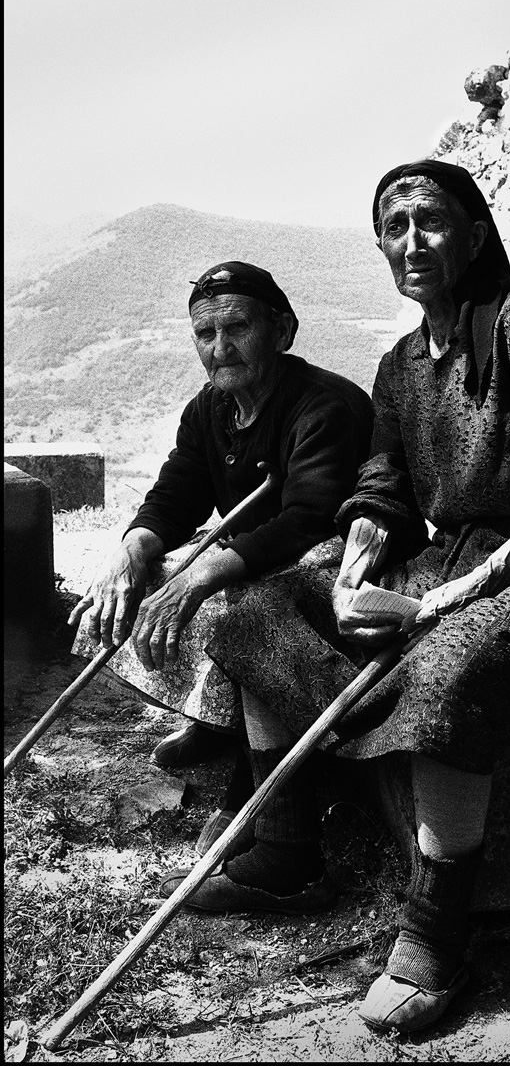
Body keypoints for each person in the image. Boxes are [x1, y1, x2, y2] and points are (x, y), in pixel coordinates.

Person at [158, 162, 510, 1035]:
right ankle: (287, 854)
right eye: (393, 227)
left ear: (474, 234)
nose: (410, 243)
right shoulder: (400, 365)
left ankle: (435, 932)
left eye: (430, 221)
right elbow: (379, 494)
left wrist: (461, 592)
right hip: (447, 561)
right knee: (259, 611)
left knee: (447, 661)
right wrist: (351, 580)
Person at [69, 260, 374, 848]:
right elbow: (173, 499)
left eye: (237, 328)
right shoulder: (210, 408)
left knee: (224, 606)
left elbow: (309, 519)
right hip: (256, 556)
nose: (220, 348)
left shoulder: (324, 406)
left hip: (325, 561)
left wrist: (202, 574)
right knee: (134, 583)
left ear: (282, 331)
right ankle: (213, 716)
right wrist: (129, 553)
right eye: (205, 334)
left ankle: (254, 779)